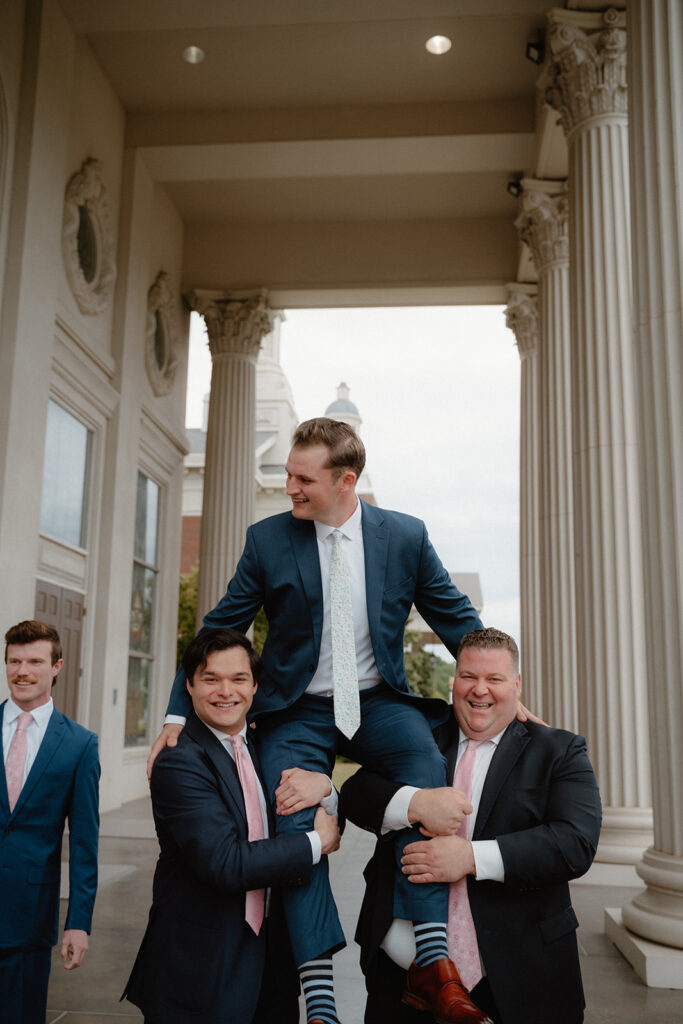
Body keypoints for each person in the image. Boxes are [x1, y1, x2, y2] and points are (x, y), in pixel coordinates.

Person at [149, 417, 485, 1024]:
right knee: (293, 814)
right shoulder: (269, 539)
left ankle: (433, 963)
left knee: (428, 772)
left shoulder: (404, 536)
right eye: (287, 475)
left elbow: (455, 618)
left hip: (377, 699)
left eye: (303, 478)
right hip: (297, 707)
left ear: (346, 480)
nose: (290, 488)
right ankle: (321, 1001)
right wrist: (178, 710)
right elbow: (223, 628)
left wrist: (508, 688)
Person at [340, 627, 602, 1024]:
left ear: (516, 685)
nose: (480, 690)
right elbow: (357, 791)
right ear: (454, 681)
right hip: (403, 976)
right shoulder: (419, 736)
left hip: (521, 977)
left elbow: (575, 842)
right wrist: (414, 803)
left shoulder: (559, 750)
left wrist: (470, 857)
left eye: (494, 679)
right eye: (469, 677)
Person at [124, 628, 340, 1024]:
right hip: (199, 971)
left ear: (255, 686)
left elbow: (301, 800)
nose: (226, 691)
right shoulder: (179, 761)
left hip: (271, 970)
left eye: (238, 679)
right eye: (211, 679)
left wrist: (327, 788)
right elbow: (225, 862)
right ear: (188, 685)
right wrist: (318, 841)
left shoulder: (267, 748)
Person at [0, 619, 100, 1024]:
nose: (22, 671)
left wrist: (78, 922)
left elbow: (84, 842)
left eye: (35, 661)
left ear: (57, 666)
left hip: (29, 916)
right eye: (14, 661)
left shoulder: (80, 745)